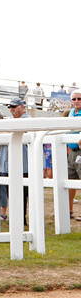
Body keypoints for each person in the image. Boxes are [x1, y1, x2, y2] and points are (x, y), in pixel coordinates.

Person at [0, 98, 30, 225]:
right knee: (10, 192)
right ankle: (16, 218)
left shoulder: (28, 120)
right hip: (7, 163)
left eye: (13, 106)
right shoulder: (10, 121)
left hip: (24, 164)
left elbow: (16, 132)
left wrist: (8, 131)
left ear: (21, 107)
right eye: (10, 107)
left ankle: (21, 218)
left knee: (23, 193)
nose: (11, 109)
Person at [67, 89, 81, 220]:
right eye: (74, 99)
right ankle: (69, 210)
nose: (76, 101)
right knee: (69, 182)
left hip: (80, 151)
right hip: (72, 152)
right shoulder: (71, 112)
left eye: (79, 99)